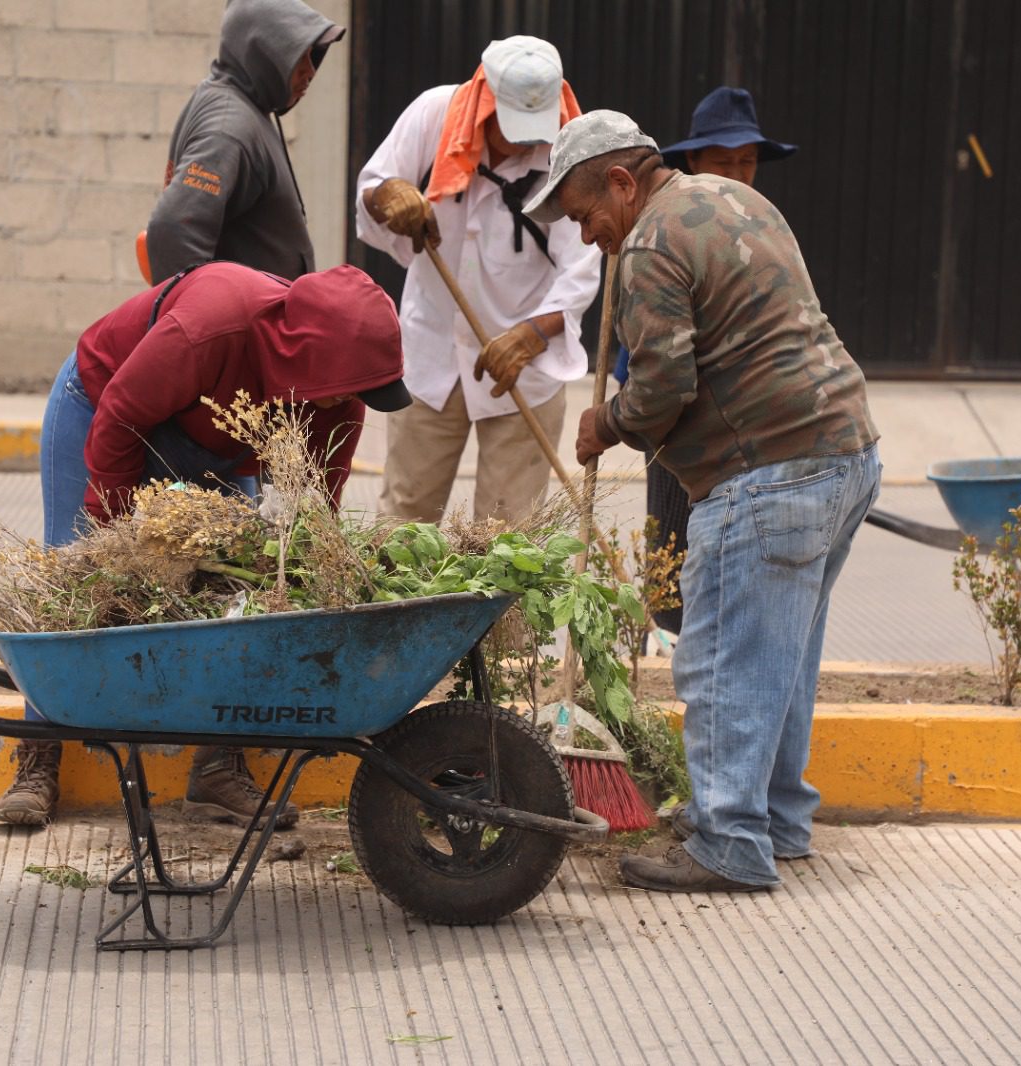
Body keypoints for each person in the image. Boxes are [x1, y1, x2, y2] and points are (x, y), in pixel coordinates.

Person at [525, 111, 881, 892]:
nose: (588, 237)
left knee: (722, 662)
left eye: (587, 215)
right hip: (845, 452)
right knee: (778, 659)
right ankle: (775, 819)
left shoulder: (650, 243)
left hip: (767, 473)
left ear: (624, 181)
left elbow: (660, 391)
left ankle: (728, 841)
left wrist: (605, 423)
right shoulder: (733, 197)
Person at [0, 263, 411, 828]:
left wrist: (298, 568)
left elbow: (312, 515)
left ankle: (217, 769)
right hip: (104, 404)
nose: (351, 404)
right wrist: (113, 546)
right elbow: (120, 418)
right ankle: (38, 755)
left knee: (238, 596)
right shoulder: (210, 328)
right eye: (349, 391)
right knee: (73, 584)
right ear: (305, 357)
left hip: (213, 444)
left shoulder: (339, 393)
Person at [354, 35, 602, 523]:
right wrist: (391, 197)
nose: (523, 140)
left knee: (508, 534)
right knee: (404, 519)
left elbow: (581, 266)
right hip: (434, 353)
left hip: (524, 363)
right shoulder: (435, 113)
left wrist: (532, 335)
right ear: (486, 100)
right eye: (511, 126)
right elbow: (373, 185)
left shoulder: (569, 144)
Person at [620, 87, 798, 635]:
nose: (739, 174)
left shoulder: (762, 222)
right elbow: (651, 364)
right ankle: (666, 641)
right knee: (672, 562)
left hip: (744, 433)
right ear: (694, 161)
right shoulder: (664, 229)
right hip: (678, 424)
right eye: (725, 162)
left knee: (730, 586)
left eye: (748, 162)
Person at [141, 0, 345, 284]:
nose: (311, 71)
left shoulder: (240, 105)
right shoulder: (229, 128)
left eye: (314, 56)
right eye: (300, 56)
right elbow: (173, 230)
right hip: (240, 327)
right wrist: (205, 324)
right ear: (265, 54)